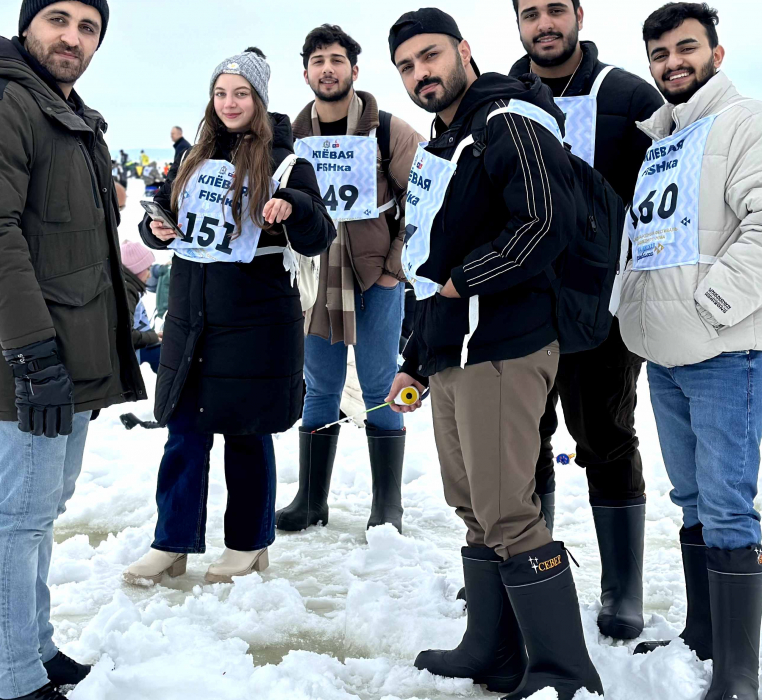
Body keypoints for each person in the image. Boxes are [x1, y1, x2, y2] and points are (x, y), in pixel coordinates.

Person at [386, 9, 603, 699]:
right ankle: (494, 650)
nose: (421, 73)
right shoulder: (443, 142)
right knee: (473, 504)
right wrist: (415, 358)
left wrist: (465, 280)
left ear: (463, 51)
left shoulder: (507, 117)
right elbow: (426, 256)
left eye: (430, 56)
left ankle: (564, 672)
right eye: (407, 66)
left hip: (504, 345)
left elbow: (545, 218)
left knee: (508, 509)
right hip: (454, 350)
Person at [0, 1, 146, 698]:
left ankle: (37, 643)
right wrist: (32, 356)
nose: (73, 37)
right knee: (19, 515)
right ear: (27, 25)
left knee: (43, 509)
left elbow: (79, 242)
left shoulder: (66, 112)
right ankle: (17, 678)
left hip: (77, 347)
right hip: (33, 351)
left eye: (89, 28)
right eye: (58, 19)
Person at [619, 6, 762, 700]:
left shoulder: (750, 122)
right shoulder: (663, 140)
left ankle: (738, 674)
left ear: (716, 53)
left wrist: (712, 307)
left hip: (725, 350)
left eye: (686, 48)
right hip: (665, 353)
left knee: (729, 505)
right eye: (660, 53)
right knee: (692, 496)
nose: (673, 63)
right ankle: (704, 633)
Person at [124, 47, 335, 587]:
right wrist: (159, 230)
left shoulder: (288, 161)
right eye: (221, 93)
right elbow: (159, 219)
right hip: (192, 314)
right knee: (183, 431)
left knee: (246, 432)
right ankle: (170, 543)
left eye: (241, 93)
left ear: (259, 99)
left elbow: (320, 233)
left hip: (255, 319)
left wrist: (293, 207)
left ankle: (248, 543)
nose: (229, 103)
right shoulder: (193, 157)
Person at [507, 0, 666, 641]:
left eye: (554, 10)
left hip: (604, 304)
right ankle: (529, 566)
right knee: (523, 442)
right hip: (521, 302)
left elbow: (662, 195)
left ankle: (622, 589)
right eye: (529, 14)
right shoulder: (503, 95)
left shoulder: (628, 94)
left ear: (577, 14)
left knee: (605, 434)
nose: (543, 24)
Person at [275, 24, 424, 536]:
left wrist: (395, 269)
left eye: (337, 60)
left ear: (354, 71)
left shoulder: (390, 130)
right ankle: (310, 500)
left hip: (376, 275)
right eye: (318, 62)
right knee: (320, 387)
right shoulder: (291, 138)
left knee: (382, 383)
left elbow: (425, 202)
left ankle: (388, 506)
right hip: (317, 277)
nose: (328, 69)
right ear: (306, 73)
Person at [119, 240, 162, 372]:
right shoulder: (128, 291)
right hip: (132, 351)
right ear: (136, 269)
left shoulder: (131, 288)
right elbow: (126, 334)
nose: (150, 274)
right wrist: (154, 337)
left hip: (141, 344)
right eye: (147, 269)